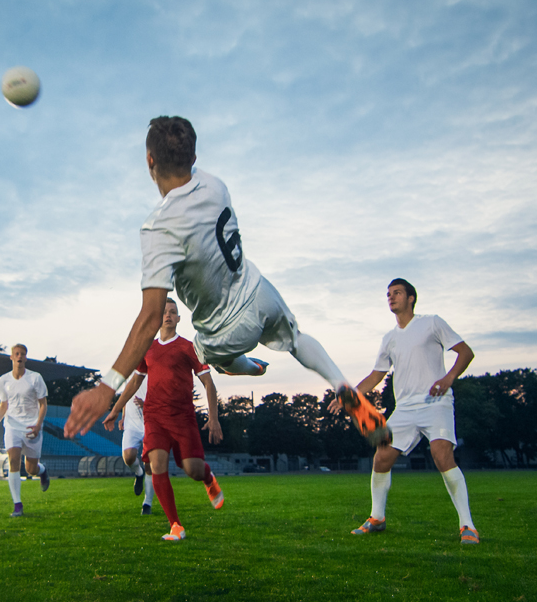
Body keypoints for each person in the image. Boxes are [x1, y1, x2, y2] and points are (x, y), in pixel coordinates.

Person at [65, 115, 375, 443]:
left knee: (215, 358)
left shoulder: (159, 228)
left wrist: (105, 388)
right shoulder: (215, 184)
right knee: (296, 338)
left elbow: (151, 317)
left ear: (149, 160)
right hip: (259, 291)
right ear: (194, 159)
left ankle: (249, 367)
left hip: (224, 329)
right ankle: (342, 385)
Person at [329, 279, 479, 544]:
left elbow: (465, 353)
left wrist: (448, 378)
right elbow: (377, 375)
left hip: (436, 403)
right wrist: (349, 397)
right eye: (388, 294)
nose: (391, 297)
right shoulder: (389, 338)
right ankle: (377, 518)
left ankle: (467, 526)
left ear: (411, 298)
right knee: (381, 458)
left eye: (397, 293)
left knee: (441, 455)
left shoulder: (432, 322)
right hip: (405, 409)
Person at [103, 298, 224, 541]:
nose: (168, 315)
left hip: (183, 417)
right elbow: (135, 382)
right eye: (164, 312)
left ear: (179, 318)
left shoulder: (190, 347)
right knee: (157, 466)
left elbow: (208, 382)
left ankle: (208, 478)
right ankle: (175, 525)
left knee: (193, 469)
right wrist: (116, 408)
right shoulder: (147, 348)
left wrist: (214, 418)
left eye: (173, 312)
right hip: (154, 417)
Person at [0, 344, 49, 517]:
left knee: (31, 469)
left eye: (22, 354)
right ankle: (17, 505)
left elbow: (43, 404)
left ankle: (43, 471)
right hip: (12, 426)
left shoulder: (35, 378)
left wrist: (38, 424)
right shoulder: (3, 380)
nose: (19, 357)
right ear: (11, 357)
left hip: (32, 426)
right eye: (16, 354)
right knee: (13, 460)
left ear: (26, 358)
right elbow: (4, 404)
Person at [117, 375, 154, 515]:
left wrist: (146, 405)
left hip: (150, 422)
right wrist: (123, 416)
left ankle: (147, 504)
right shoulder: (133, 368)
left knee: (150, 464)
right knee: (128, 457)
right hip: (132, 424)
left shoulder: (155, 368)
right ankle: (139, 473)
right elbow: (126, 394)